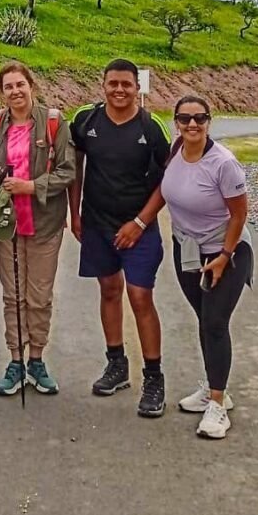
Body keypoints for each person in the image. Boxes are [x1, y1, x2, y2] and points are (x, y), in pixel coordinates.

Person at [141, 94, 253, 440]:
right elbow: (164, 189)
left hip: (225, 252)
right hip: (187, 249)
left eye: (200, 119)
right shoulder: (176, 150)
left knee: (216, 323)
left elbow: (239, 213)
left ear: (209, 122)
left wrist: (223, 256)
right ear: (176, 122)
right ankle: (213, 385)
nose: (192, 124)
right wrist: (140, 221)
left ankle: (218, 406)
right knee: (205, 320)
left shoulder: (223, 164)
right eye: (185, 118)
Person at [69, 59, 171, 417]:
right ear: (103, 84)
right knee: (109, 289)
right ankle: (116, 364)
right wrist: (75, 211)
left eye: (126, 84)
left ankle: (154, 377)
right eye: (113, 83)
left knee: (140, 296)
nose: (119, 90)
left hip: (138, 225)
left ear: (136, 87)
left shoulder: (151, 127)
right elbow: (75, 164)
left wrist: (140, 223)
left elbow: (166, 182)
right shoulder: (86, 120)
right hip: (97, 222)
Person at [0, 61, 76, 397]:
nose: (15, 91)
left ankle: (37, 358)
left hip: (44, 223)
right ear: (1, 92)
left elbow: (68, 171)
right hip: (6, 225)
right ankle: (16, 360)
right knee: (13, 297)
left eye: (20, 84)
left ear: (31, 86)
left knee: (38, 296)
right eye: (8, 86)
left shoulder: (53, 122)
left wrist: (32, 186)